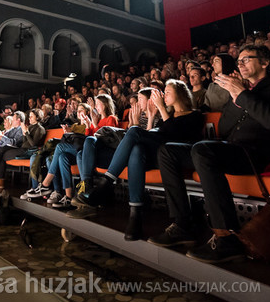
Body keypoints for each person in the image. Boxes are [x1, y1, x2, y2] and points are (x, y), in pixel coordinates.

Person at [150, 45, 270, 262]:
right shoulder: (239, 90)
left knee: (203, 149)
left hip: (258, 154)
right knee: (168, 151)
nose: (240, 64)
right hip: (234, 150)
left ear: (265, 63)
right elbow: (226, 127)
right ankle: (182, 224)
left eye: (246, 59)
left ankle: (225, 236)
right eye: (238, 61)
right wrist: (236, 96)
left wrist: (242, 94)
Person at [77, 80, 204, 241]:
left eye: (168, 91)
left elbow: (173, 135)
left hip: (174, 155)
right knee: (136, 149)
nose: (164, 95)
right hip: (156, 153)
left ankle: (106, 182)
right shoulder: (168, 116)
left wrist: (161, 109)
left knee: (135, 130)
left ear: (180, 94)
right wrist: (154, 114)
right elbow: (158, 134)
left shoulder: (195, 115)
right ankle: (135, 216)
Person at [24, 95, 119, 209]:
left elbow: (105, 139)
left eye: (98, 104)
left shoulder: (111, 118)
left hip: (99, 152)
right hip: (86, 150)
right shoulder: (97, 120)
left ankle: (46, 184)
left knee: (60, 148)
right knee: (62, 156)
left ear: (105, 105)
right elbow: (89, 139)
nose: (96, 107)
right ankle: (68, 196)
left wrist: (93, 124)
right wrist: (90, 125)